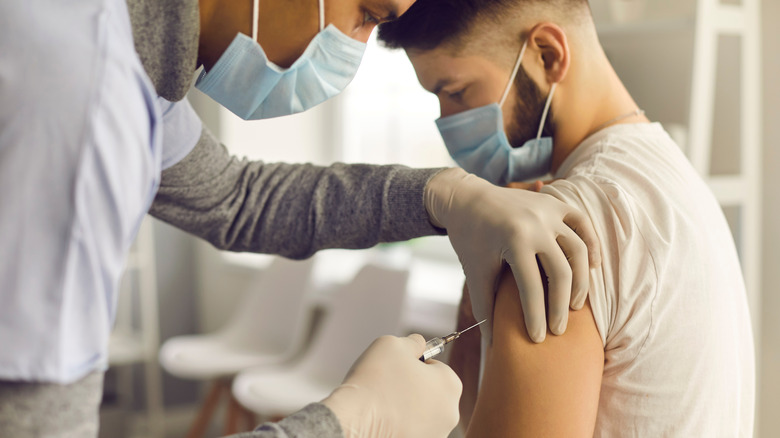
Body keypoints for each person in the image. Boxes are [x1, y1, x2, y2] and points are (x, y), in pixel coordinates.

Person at [0, 0, 603, 436]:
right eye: (366, 15)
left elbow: (236, 197)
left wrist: (440, 195)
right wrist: (348, 422)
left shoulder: (117, 56)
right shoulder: (83, 99)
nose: (354, 54)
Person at [378, 0, 755, 436]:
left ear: (547, 55)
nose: (446, 119)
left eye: (457, 90)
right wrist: (475, 277)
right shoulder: (673, 178)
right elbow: (478, 413)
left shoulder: (567, 222)